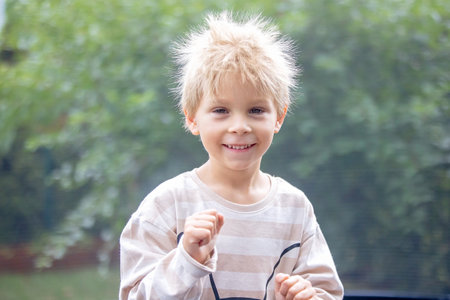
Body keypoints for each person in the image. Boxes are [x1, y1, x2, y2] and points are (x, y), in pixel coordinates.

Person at [119, 11, 344, 300]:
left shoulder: (296, 209)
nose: (239, 126)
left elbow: (328, 292)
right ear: (192, 118)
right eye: (221, 110)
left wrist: (308, 296)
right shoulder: (166, 206)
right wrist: (185, 260)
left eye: (256, 110)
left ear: (279, 117)